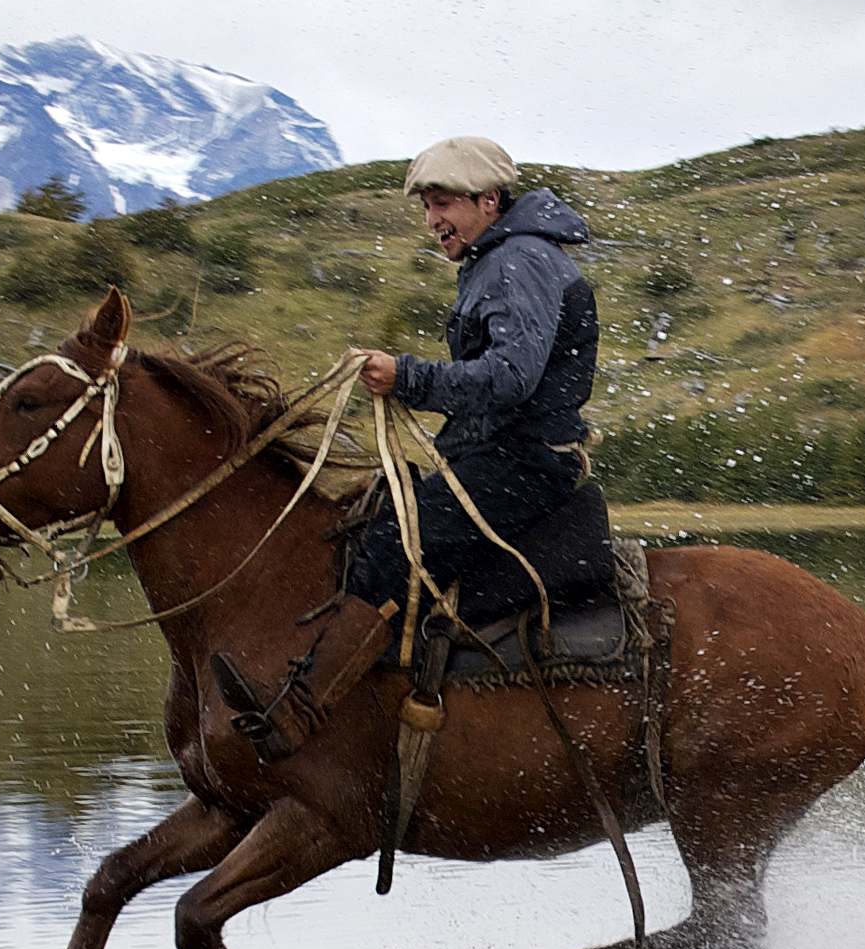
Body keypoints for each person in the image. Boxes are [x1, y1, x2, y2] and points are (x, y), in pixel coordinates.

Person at [209, 137, 614, 763]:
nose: (433, 222)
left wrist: (410, 378)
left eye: (444, 203)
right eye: (427, 207)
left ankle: (298, 717)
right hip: (500, 458)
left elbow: (511, 378)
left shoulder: (518, 262)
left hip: (521, 465)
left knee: (395, 541)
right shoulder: (500, 259)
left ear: (488, 200)